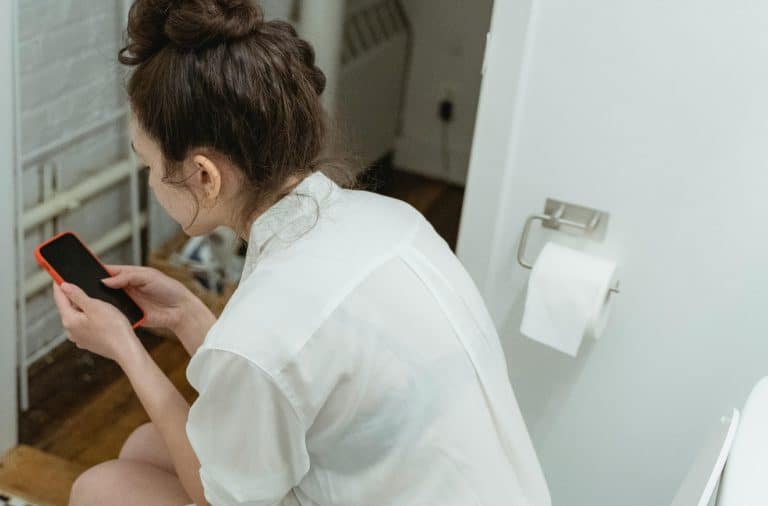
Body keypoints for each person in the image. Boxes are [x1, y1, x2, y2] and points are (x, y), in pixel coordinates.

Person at [52, 1, 550, 504]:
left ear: (204, 176)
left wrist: (126, 351)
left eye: (149, 166)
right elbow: (289, 378)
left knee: (101, 488)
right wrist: (186, 315)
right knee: (143, 444)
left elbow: (217, 491)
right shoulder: (391, 221)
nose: (151, 181)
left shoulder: (265, 324)